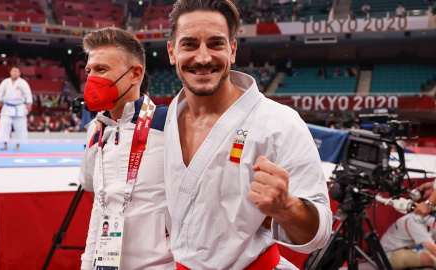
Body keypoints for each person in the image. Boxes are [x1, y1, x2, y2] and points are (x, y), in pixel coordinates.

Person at [164, 1, 332, 269]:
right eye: (190, 44)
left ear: (232, 50)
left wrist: (287, 207)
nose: (203, 57)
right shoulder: (169, 117)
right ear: (172, 52)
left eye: (216, 44)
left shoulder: (279, 122)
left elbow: (318, 235)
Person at [78, 27, 174, 270]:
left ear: (135, 74)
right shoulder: (96, 129)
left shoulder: (171, 124)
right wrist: (87, 264)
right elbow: (98, 205)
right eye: (89, 71)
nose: (91, 79)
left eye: (101, 70)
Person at [0, 66, 32, 150]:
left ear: (19, 73)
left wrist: (29, 103)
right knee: (4, 126)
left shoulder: (23, 83)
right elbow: (0, 93)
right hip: (7, 106)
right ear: (10, 72)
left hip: (19, 107)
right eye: (13, 71)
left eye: (16, 71)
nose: (14, 73)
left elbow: (28, 94)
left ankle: (17, 145)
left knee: (20, 127)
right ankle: (5, 144)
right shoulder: (5, 82)